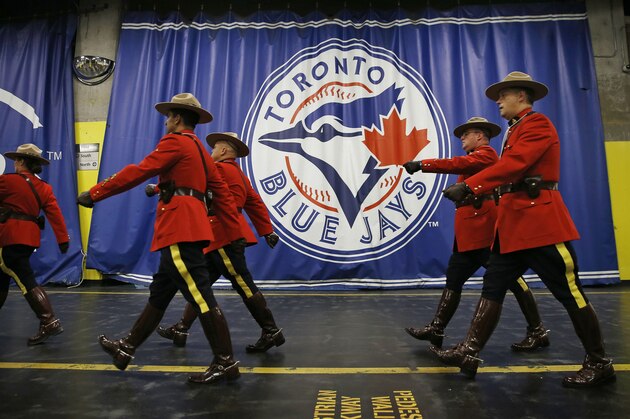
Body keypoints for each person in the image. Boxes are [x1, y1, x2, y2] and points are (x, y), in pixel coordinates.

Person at [432, 71, 615, 388]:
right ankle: (470, 351)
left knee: (568, 292)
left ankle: (599, 363)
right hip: (514, 227)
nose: (498, 101)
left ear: (520, 95)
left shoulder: (537, 124)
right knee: (493, 285)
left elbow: (513, 165)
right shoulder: (514, 129)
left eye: (503, 95)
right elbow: (508, 169)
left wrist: (471, 186)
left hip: (540, 225)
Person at [77, 93, 246, 384]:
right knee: (160, 293)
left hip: (179, 228)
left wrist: (96, 193)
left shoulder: (175, 142)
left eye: (168, 116)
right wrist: (235, 233)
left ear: (177, 118)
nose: (166, 121)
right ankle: (126, 348)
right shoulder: (201, 153)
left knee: (201, 296)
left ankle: (225, 362)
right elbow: (222, 197)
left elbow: (139, 171)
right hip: (191, 228)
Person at [403, 117, 548, 352]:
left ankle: (538, 331)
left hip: (483, 232)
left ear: (479, 136)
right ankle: (436, 329)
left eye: (466, 134)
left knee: (512, 280)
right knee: (454, 279)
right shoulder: (477, 158)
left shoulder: (486, 154)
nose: (461, 138)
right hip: (469, 233)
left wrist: (423, 165)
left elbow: (456, 164)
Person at [155, 132, 285, 353]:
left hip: (223, 236)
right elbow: (254, 201)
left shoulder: (220, 169)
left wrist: (158, 189)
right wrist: (266, 231)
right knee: (201, 286)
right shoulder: (238, 174)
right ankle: (182, 328)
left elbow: (192, 185)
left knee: (243, 284)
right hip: (221, 237)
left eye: (214, 149)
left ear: (223, 151)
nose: (211, 152)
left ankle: (271, 331)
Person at [0, 143, 69, 345]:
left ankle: (49, 321)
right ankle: (48, 321)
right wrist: (63, 240)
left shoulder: (8, 182)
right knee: (2, 278)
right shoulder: (44, 188)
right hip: (29, 239)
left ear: (21, 162)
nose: (14, 164)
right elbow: (55, 215)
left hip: (10, 237)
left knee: (25, 278)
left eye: (16, 161)